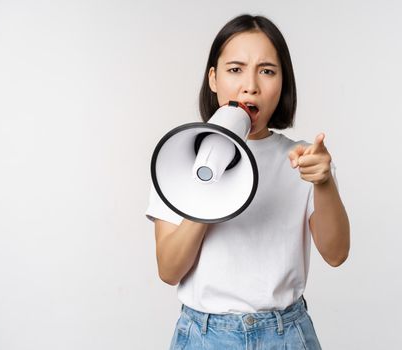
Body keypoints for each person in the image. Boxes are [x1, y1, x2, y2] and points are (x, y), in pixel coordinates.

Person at [146, 14, 350, 349]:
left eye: (267, 71)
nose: (250, 85)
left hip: (284, 334)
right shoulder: (179, 158)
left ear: (282, 82)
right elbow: (169, 270)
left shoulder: (303, 159)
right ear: (213, 79)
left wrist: (323, 183)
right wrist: (210, 190)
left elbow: (337, 253)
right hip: (204, 335)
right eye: (235, 69)